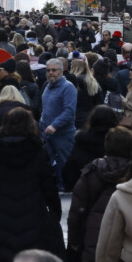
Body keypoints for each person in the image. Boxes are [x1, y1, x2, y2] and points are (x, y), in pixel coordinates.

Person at [0, 107, 66, 261]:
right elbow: (48, 185)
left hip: (0, 212)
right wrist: (54, 212)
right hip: (33, 212)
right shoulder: (37, 149)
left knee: (4, 252)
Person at [67, 126, 132, 262]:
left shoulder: (92, 172)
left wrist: (74, 240)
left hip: (93, 236)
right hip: (126, 239)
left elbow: (76, 211)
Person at [39, 58, 77, 191]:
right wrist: (42, 123)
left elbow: (69, 112)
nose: (50, 73)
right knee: (48, 163)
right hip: (47, 133)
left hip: (63, 134)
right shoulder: (47, 87)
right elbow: (45, 109)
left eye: (54, 70)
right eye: (48, 70)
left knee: (65, 162)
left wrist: (54, 125)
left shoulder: (68, 87)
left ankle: (68, 188)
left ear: (61, 71)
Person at [62, 105, 119, 192]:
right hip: (112, 189)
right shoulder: (118, 141)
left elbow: (69, 169)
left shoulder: (82, 140)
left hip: (85, 188)